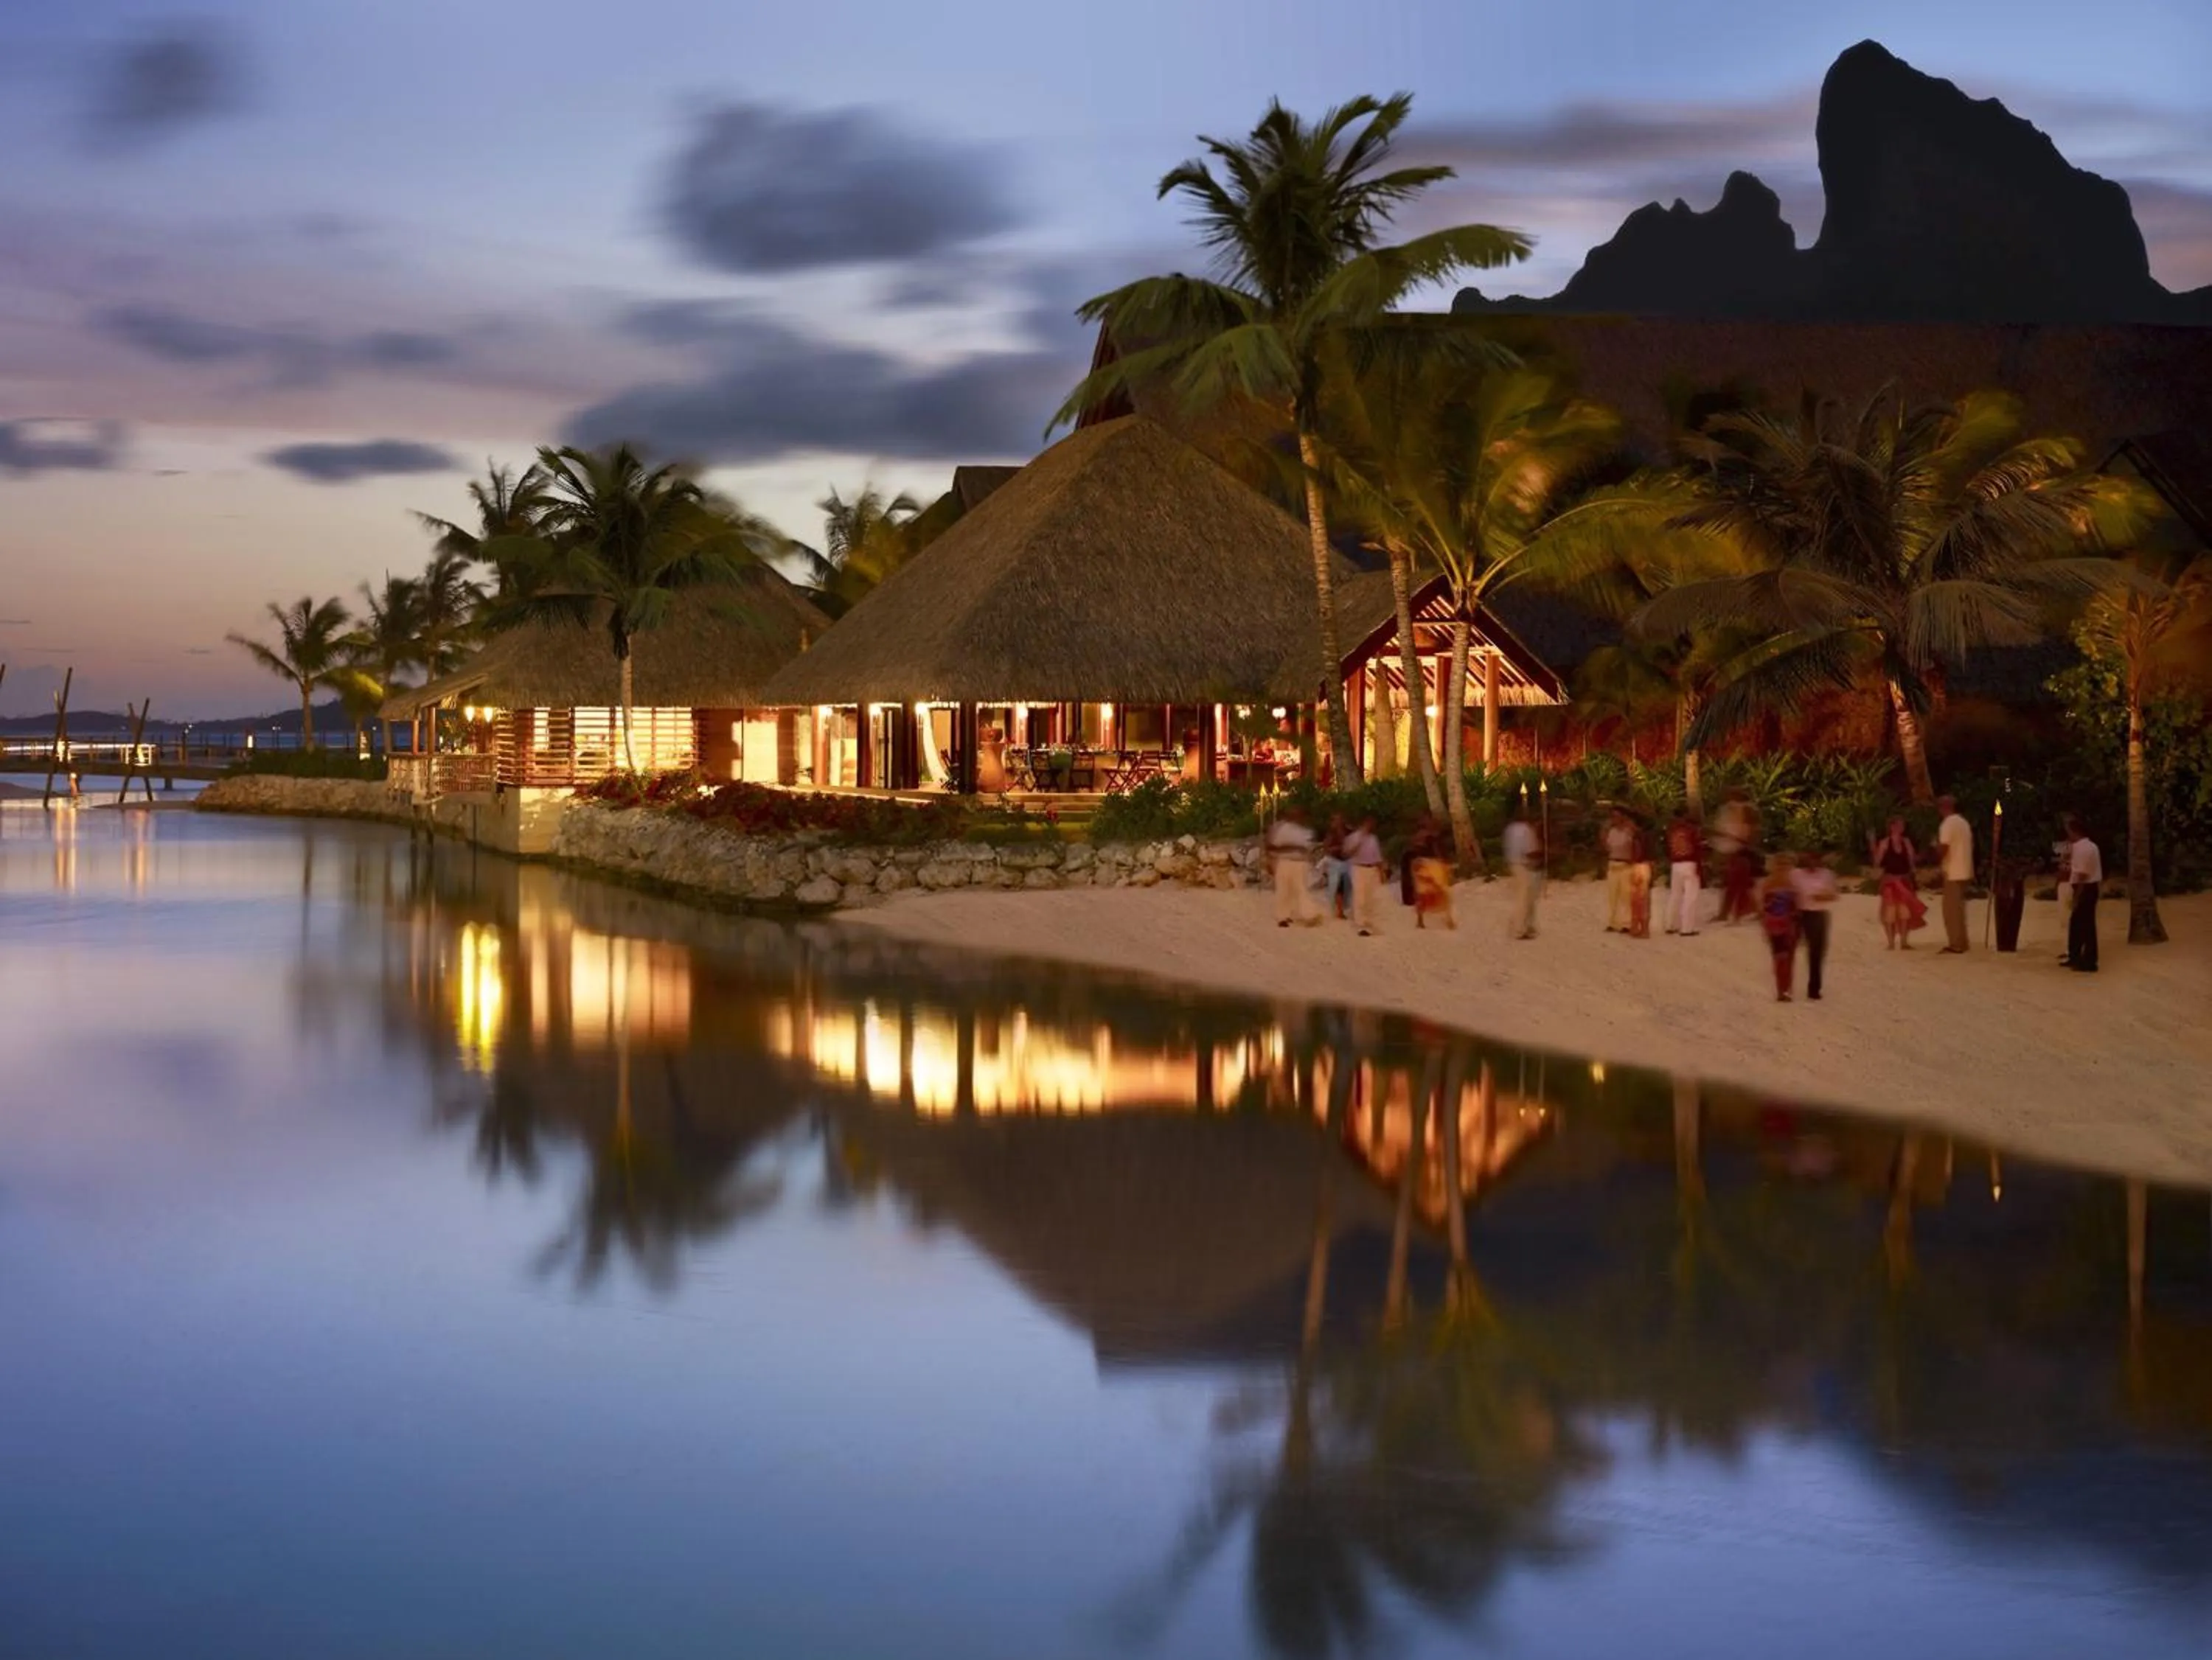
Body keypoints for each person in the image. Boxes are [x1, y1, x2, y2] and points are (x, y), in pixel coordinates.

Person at [1869, 817, 1927, 949]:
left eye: (1902, 825)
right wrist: (1873, 845)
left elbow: (1912, 861)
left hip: (1904, 880)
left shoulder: (1906, 842)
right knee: (1890, 913)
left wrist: (1917, 866)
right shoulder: (1885, 843)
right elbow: (1877, 862)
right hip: (1890, 882)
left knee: (1905, 913)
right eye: (1900, 825)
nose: (1902, 828)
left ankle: (1904, 942)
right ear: (1892, 827)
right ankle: (1891, 943)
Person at [1791, 848, 1839, 1000]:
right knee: (1789, 950)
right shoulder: (1795, 874)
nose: (1811, 861)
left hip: (1818, 913)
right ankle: (1785, 986)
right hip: (1798, 913)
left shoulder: (1826, 875)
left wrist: (1820, 896)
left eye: (1814, 858)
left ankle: (1814, 988)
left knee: (1817, 952)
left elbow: (1834, 895)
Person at [1759, 851, 1802, 1001]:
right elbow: (1763, 907)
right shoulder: (1769, 883)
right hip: (1776, 924)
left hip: (1790, 924)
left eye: (1786, 864)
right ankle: (1782, 990)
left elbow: (1798, 906)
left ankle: (1786, 990)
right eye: (1780, 864)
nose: (1783, 867)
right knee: (1780, 958)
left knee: (1788, 958)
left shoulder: (1794, 883)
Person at [1267, 806, 1320, 928]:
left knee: (1301, 889)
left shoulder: (1307, 832)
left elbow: (1308, 848)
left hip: (1301, 863)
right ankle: (1283, 917)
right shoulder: (1282, 828)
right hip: (1284, 861)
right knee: (1283, 890)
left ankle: (1308, 914)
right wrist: (1292, 848)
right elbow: (1272, 846)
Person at [1714, 789, 1761, 924]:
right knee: (1739, 882)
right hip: (1734, 848)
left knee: (1737, 882)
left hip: (1739, 849)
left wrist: (1744, 842)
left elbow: (1750, 830)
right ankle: (1748, 911)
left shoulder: (1745, 809)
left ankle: (1731, 913)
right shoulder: (1731, 809)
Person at [2062, 814, 2101, 972]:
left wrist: (2077, 897)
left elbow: (2082, 875)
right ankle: (2075, 955)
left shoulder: (2082, 849)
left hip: (2085, 887)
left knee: (2085, 924)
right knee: (2078, 923)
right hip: (2089, 887)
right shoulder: (2091, 846)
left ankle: (2089, 960)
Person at [1935, 794, 1974, 953]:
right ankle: (1962, 942)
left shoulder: (1948, 824)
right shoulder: (1963, 823)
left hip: (1953, 871)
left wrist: (1936, 853)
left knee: (1951, 910)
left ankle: (1956, 943)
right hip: (1965, 869)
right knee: (1959, 908)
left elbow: (1944, 847)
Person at [1502, 804, 1543, 940]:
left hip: (1513, 864)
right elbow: (1530, 850)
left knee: (1523, 897)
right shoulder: (1526, 829)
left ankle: (1526, 926)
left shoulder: (1510, 829)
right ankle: (1519, 929)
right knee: (1525, 898)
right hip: (1524, 865)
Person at [1407, 819, 1455, 930]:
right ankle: (1449, 919)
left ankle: (1420, 920)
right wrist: (1445, 864)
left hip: (1422, 865)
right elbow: (1439, 853)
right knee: (1441, 891)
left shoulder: (1416, 838)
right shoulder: (1433, 838)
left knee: (1422, 894)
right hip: (1433, 865)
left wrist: (1414, 868)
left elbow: (1413, 854)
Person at [1663, 806, 1705, 936]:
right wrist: (1700, 867)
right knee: (1690, 897)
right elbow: (1697, 848)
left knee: (1675, 895)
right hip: (1689, 863)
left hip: (1675, 864)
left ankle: (1670, 925)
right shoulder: (1692, 830)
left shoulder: (1671, 831)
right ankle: (1687, 928)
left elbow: (1667, 848)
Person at [1345, 814, 1388, 936]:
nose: (1371, 826)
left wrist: (1382, 872)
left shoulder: (1374, 839)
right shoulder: (1353, 837)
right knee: (1360, 896)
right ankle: (1361, 925)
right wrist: (1359, 841)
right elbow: (1347, 853)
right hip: (1358, 868)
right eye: (1369, 823)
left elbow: (1377, 856)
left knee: (1370, 897)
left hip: (1371, 869)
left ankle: (1368, 922)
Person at [1603, 808, 1638, 932]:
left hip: (1625, 864)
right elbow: (1607, 846)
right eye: (1613, 816)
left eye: (1617, 816)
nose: (1615, 819)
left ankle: (1626, 923)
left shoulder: (1629, 831)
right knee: (1613, 895)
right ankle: (1613, 922)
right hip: (1613, 863)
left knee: (1626, 895)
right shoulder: (1612, 832)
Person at [1318, 813, 1352, 921]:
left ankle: (1342, 908)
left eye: (1339, 820)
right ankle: (1339, 910)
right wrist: (1336, 848)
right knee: (1337, 886)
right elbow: (1326, 847)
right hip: (1335, 861)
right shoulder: (1331, 834)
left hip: (1347, 862)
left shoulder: (1349, 832)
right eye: (1335, 820)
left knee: (1347, 886)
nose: (1337, 822)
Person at [1627, 815, 1654, 939]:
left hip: (1638, 866)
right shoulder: (1649, 836)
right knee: (1643, 899)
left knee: (1636, 899)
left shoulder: (1637, 836)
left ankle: (1637, 927)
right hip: (1646, 866)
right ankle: (1644, 928)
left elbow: (1637, 852)